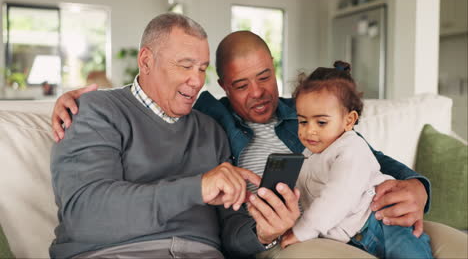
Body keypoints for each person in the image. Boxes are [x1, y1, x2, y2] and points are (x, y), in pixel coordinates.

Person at [52, 31, 431, 258]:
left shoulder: (309, 112)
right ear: (221, 88)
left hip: (358, 218)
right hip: (284, 235)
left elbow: (366, 155)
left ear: (274, 68)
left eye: (265, 77)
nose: (258, 94)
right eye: (240, 85)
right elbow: (154, 94)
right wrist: (80, 101)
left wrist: (417, 186)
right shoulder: (209, 117)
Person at [49, 13, 261, 258]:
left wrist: (261, 233)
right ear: (146, 60)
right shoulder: (95, 110)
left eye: (202, 69)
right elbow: (85, 215)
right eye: (185, 65)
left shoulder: (211, 130)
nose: (197, 80)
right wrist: (197, 188)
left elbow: (230, 226)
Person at [279, 61, 433, 258]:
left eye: (321, 122)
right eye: (303, 121)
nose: (310, 130)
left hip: (384, 222)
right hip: (353, 237)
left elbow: (338, 196)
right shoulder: (308, 156)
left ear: (349, 120)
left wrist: (301, 231)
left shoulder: (351, 149)